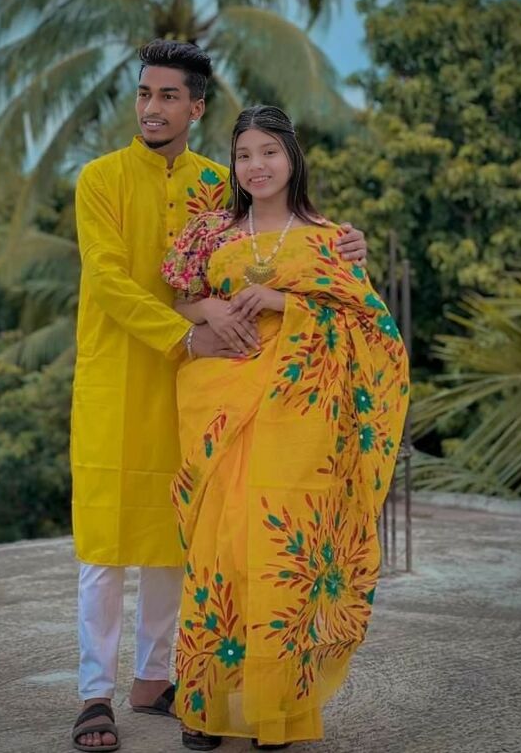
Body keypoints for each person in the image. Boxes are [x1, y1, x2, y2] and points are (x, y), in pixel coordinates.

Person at [71, 42, 368, 752]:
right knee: (104, 546)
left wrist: (345, 244)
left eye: (169, 96)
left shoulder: (217, 184)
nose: (152, 108)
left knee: (182, 536)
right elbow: (110, 280)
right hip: (122, 378)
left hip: (203, 391)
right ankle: (94, 693)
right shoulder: (100, 179)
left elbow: (269, 242)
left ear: (196, 107)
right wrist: (188, 330)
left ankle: (153, 679)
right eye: (144, 93)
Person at [162, 105, 409, 750]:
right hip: (223, 410)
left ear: (293, 159)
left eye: (269, 151)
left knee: (280, 554)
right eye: (244, 154)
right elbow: (180, 300)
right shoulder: (211, 233)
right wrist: (210, 307)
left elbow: (373, 330)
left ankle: (277, 712)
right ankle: (204, 704)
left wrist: (286, 303)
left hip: (302, 423)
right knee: (222, 547)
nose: (257, 166)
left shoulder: (331, 240)